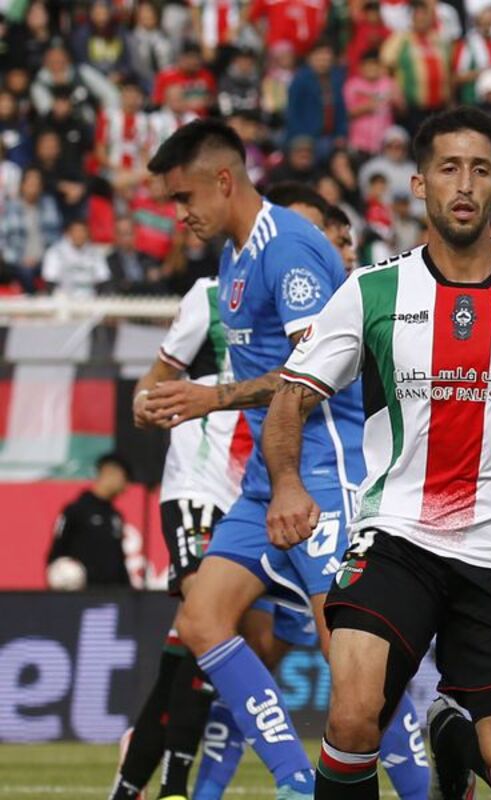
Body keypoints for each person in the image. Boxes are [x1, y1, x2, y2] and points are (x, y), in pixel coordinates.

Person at [260, 106, 491, 799]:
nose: (465, 184)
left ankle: (451, 728)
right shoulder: (372, 290)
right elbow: (290, 397)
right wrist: (287, 485)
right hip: (398, 535)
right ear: (418, 184)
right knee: (356, 713)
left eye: (480, 169)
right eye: (448, 168)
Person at [141, 118, 360, 800]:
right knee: (202, 619)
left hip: (323, 470)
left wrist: (212, 397)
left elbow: (314, 371)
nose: (178, 216)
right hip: (267, 478)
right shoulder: (233, 259)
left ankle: (428, 764)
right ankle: (296, 779)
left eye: (183, 198)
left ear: (225, 180)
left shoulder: (287, 250)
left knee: (350, 657)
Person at [110, 275, 255, 800]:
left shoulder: (301, 304)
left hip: (249, 497)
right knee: (207, 629)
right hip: (196, 484)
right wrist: (145, 404)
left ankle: (128, 784)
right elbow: (155, 379)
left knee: (195, 638)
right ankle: (173, 787)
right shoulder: (211, 294)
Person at [47, 453, 133, 587]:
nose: (126, 487)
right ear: (109, 472)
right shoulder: (76, 510)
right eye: (125, 479)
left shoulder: (115, 516)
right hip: (82, 594)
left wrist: (128, 591)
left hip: (112, 596)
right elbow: (57, 552)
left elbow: (118, 559)